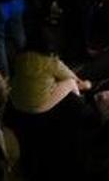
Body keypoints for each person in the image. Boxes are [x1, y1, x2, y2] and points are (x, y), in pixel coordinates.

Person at [7, 27, 93, 180]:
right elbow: (76, 81)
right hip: (37, 107)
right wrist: (88, 84)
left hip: (16, 103)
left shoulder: (20, 58)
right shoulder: (51, 62)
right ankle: (81, 106)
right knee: (71, 83)